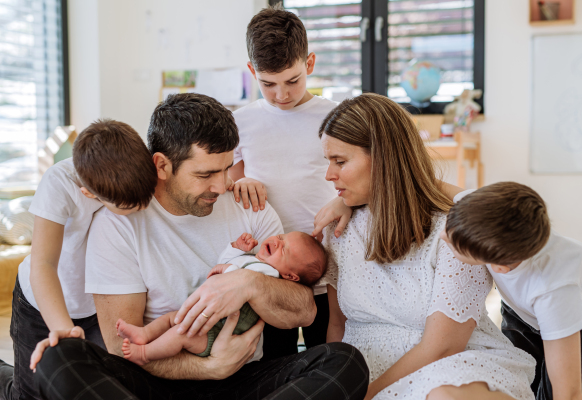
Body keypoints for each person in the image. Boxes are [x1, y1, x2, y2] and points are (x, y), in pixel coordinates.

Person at [32, 93, 369, 400]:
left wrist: (248, 282)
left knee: (344, 361)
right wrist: (207, 368)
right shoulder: (119, 222)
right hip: (158, 383)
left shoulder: (250, 207)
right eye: (206, 174)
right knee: (59, 359)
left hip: (245, 379)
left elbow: (304, 311)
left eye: (226, 169)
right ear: (162, 165)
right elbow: (121, 348)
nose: (222, 185)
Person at [316, 93, 536, 400]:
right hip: (363, 370)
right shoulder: (339, 227)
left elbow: (443, 346)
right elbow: (337, 326)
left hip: (449, 365)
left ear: (383, 157)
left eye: (340, 161)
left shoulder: (452, 231)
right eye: (328, 161)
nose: (330, 174)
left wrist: (365, 396)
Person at [0, 120, 156, 400]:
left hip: (94, 307)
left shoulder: (133, 171)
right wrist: (61, 328)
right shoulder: (60, 183)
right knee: (28, 392)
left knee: (88, 382)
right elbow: (43, 265)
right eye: (128, 208)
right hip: (40, 304)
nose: (141, 210)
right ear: (89, 193)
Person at [228, 4, 338, 359]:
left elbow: (358, 177)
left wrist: (342, 201)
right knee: (275, 357)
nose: (281, 94)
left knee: (326, 348)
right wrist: (239, 183)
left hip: (326, 262)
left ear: (309, 64)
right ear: (251, 71)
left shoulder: (334, 116)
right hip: (269, 268)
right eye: (267, 84)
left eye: (292, 80)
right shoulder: (240, 122)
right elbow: (230, 181)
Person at [441, 182, 582, 400]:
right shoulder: (486, 212)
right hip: (521, 308)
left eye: (453, 245)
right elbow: (431, 183)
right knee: (523, 379)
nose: (442, 235)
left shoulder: (553, 291)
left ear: (499, 268)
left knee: (559, 389)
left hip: (581, 312)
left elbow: (569, 394)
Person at [116, 231, 327, 366]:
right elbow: (226, 261)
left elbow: (239, 277)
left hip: (215, 334)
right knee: (172, 319)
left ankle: (145, 353)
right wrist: (236, 247)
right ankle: (144, 333)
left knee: (180, 335)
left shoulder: (271, 275)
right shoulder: (253, 259)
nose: (277, 242)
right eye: (281, 237)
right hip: (203, 319)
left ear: (290, 276)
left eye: (285, 250)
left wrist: (229, 268)